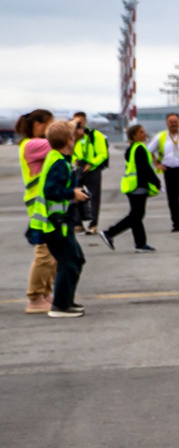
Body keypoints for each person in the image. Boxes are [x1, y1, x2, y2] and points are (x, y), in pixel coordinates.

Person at [33, 120, 86, 317]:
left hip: (61, 221)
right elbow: (51, 190)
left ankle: (66, 300)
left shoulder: (59, 158)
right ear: (68, 140)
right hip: (56, 223)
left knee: (76, 259)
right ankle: (61, 306)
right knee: (69, 261)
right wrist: (72, 194)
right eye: (73, 136)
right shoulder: (59, 163)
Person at [18, 109, 55, 312]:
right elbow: (59, 141)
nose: (53, 128)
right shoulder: (32, 144)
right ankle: (35, 297)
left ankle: (44, 293)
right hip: (39, 205)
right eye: (50, 124)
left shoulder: (34, 144)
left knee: (52, 253)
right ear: (37, 125)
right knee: (44, 252)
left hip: (46, 204)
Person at [103, 123, 159, 252]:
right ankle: (110, 232)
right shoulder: (139, 148)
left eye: (144, 131)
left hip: (132, 185)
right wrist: (156, 181)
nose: (144, 134)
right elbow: (144, 168)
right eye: (141, 132)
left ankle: (140, 244)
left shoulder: (131, 148)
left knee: (136, 215)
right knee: (136, 216)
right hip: (138, 185)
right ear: (134, 136)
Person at [70, 112, 108, 233]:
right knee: (75, 195)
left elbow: (103, 153)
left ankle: (93, 224)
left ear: (85, 122)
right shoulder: (71, 137)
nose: (78, 124)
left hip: (92, 169)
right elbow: (68, 151)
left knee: (94, 196)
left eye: (80, 122)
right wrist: (75, 161)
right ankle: (78, 223)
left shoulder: (95, 135)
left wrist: (91, 163)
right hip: (77, 168)